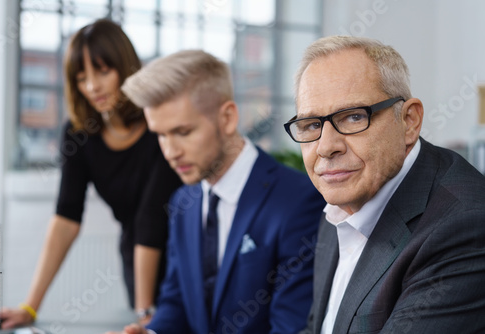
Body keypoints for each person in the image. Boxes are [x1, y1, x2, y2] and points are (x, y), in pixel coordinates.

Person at [107, 49, 326, 334]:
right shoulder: (182, 202)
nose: (170, 152)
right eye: (160, 135)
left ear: (227, 118)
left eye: (183, 132)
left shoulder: (298, 200)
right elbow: (177, 301)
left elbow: (290, 327)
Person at [0, 19, 182, 329]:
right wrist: (29, 308)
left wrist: (145, 314)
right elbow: (66, 217)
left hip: (185, 252)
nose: (92, 86)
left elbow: (151, 220)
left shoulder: (156, 123)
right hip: (137, 259)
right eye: (81, 78)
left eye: (103, 71)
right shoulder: (79, 134)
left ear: (126, 67)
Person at [283, 35, 485, 334]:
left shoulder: (464, 225)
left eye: (353, 117)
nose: (326, 147)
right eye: (312, 125)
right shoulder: (340, 203)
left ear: (409, 121)